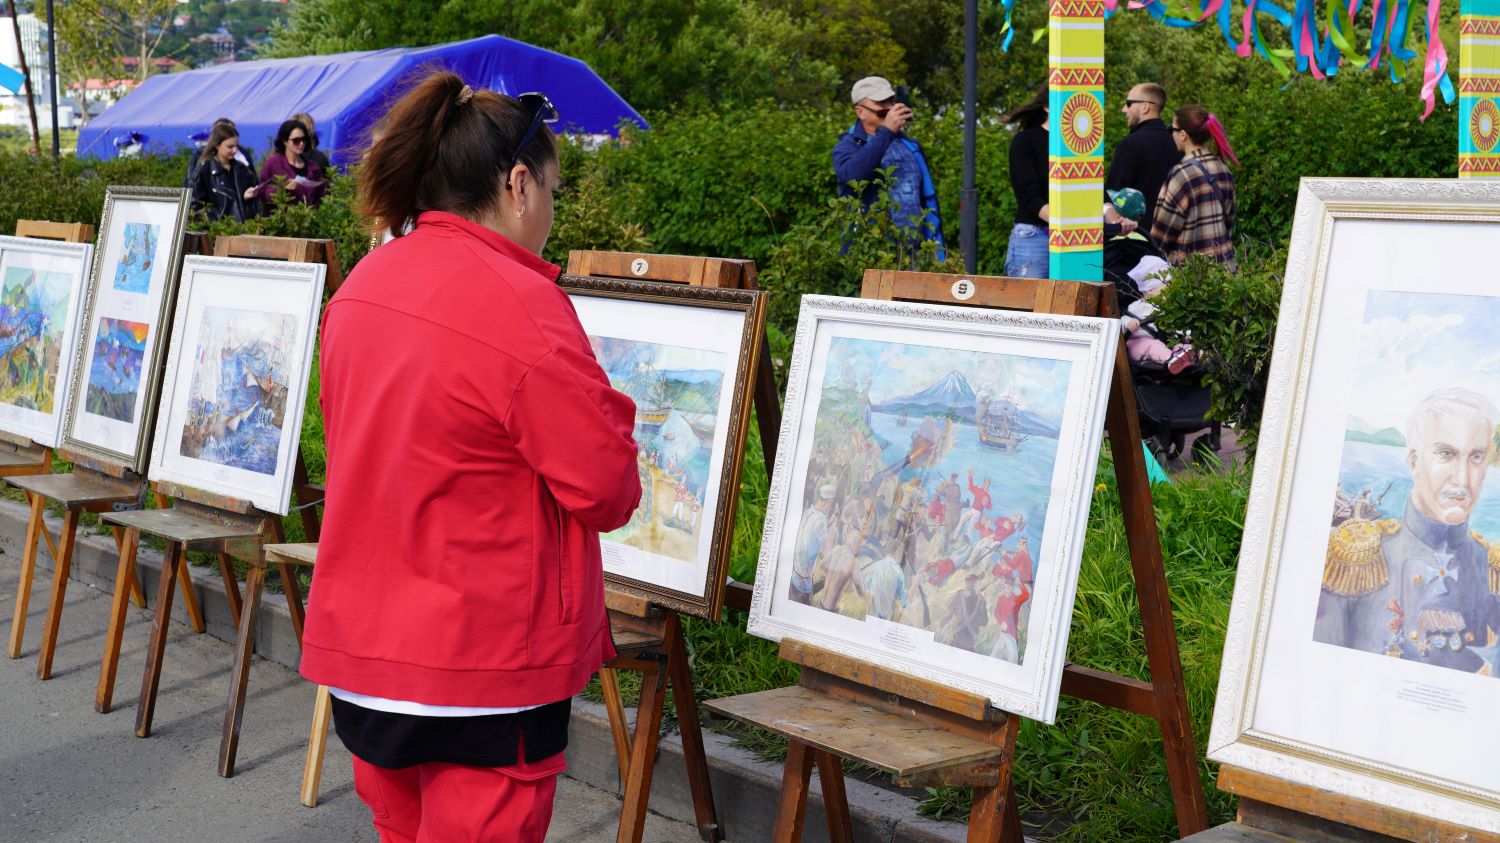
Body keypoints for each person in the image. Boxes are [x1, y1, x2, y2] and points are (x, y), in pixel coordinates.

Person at [298, 73, 641, 842]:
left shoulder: (364, 283)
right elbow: (607, 487)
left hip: (366, 651)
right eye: (554, 189)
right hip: (483, 660)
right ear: (518, 184)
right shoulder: (519, 303)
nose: (553, 211)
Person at [1315, 388, 1500, 675]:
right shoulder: (1354, 559)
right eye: (1446, 454)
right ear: (1414, 462)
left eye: (1476, 457)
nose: (1463, 478)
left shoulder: (1490, 568)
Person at [832, 76, 946, 259]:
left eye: (890, 101)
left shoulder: (910, 145)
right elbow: (853, 176)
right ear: (861, 112)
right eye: (880, 104)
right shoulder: (848, 146)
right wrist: (886, 132)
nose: (888, 108)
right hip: (868, 253)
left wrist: (936, 251)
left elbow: (927, 199)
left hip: (914, 254)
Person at [1151, 104, 1238, 271]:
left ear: (1183, 135)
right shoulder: (1223, 169)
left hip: (1191, 278)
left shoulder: (1180, 174)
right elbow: (1229, 222)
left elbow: (1161, 234)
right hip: (1225, 272)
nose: (1171, 134)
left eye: (1172, 129)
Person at [1105, 83, 1180, 226]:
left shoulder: (1131, 144)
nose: (1124, 109)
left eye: (1129, 104)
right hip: (1169, 236)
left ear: (1145, 106)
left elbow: (1112, 195)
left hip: (1134, 237)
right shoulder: (1176, 144)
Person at [1001, 88, 1050, 279]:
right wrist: (1067, 223)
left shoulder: (1082, 145)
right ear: (1047, 106)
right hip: (1035, 236)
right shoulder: (1025, 141)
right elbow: (1029, 194)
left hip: (1075, 238)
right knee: (1029, 306)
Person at [189, 121, 260, 223]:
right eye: (230, 147)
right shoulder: (203, 170)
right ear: (217, 145)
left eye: (237, 146)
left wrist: (245, 196)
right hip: (218, 230)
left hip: (243, 229)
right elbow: (196, 206)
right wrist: (215, 221)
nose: (235, 150)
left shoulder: (241, 168)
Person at [258, 119, 327, 208]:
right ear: (285, 141)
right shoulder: (273, 163)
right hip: (280, 218)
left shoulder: (313, 168)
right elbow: (262, 193)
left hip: (307, 218)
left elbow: (321, 196)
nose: (301, 143)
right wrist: (283, 189)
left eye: (303, 139)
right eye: (296, 140)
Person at [791, 486, 835, 604]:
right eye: (830, 504)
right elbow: (826, 548)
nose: (830, 507)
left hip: (794, 572)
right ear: (826, 501)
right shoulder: (821, 519)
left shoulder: (807, 511)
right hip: (804, 579)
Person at [184, 117, 255, 190]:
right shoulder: (202, 157)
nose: (234, 150)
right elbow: (189, 185)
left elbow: (253, 180)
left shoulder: (242, 154)